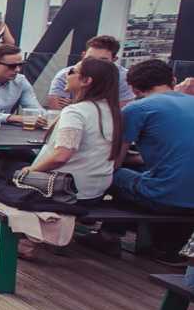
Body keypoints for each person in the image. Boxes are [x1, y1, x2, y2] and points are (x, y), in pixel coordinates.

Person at [80, 59, 194, 266]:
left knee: (113, 175)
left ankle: (108, 235)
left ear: (134, 89)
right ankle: (164, 245)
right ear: (173, 80)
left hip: (165, 199)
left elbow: (114, 161)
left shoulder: (138, 108)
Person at [21, 58, 122, 204]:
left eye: (71, 71)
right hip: (95, 192)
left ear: (86, 81)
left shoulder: (75, 112)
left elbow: (61, 156)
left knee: (1, 164)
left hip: (65, 191)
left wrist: (30, 170)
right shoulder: (113, 112)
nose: (65, 75)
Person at [45, 35, 134, 109]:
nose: (95, 64)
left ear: (114, 60)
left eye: (103, 61)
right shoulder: (69, 74)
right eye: (90, 58)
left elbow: (120, 111)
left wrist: (75, 106)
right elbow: (55, 108)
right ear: (83, 56)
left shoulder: (124, 78)